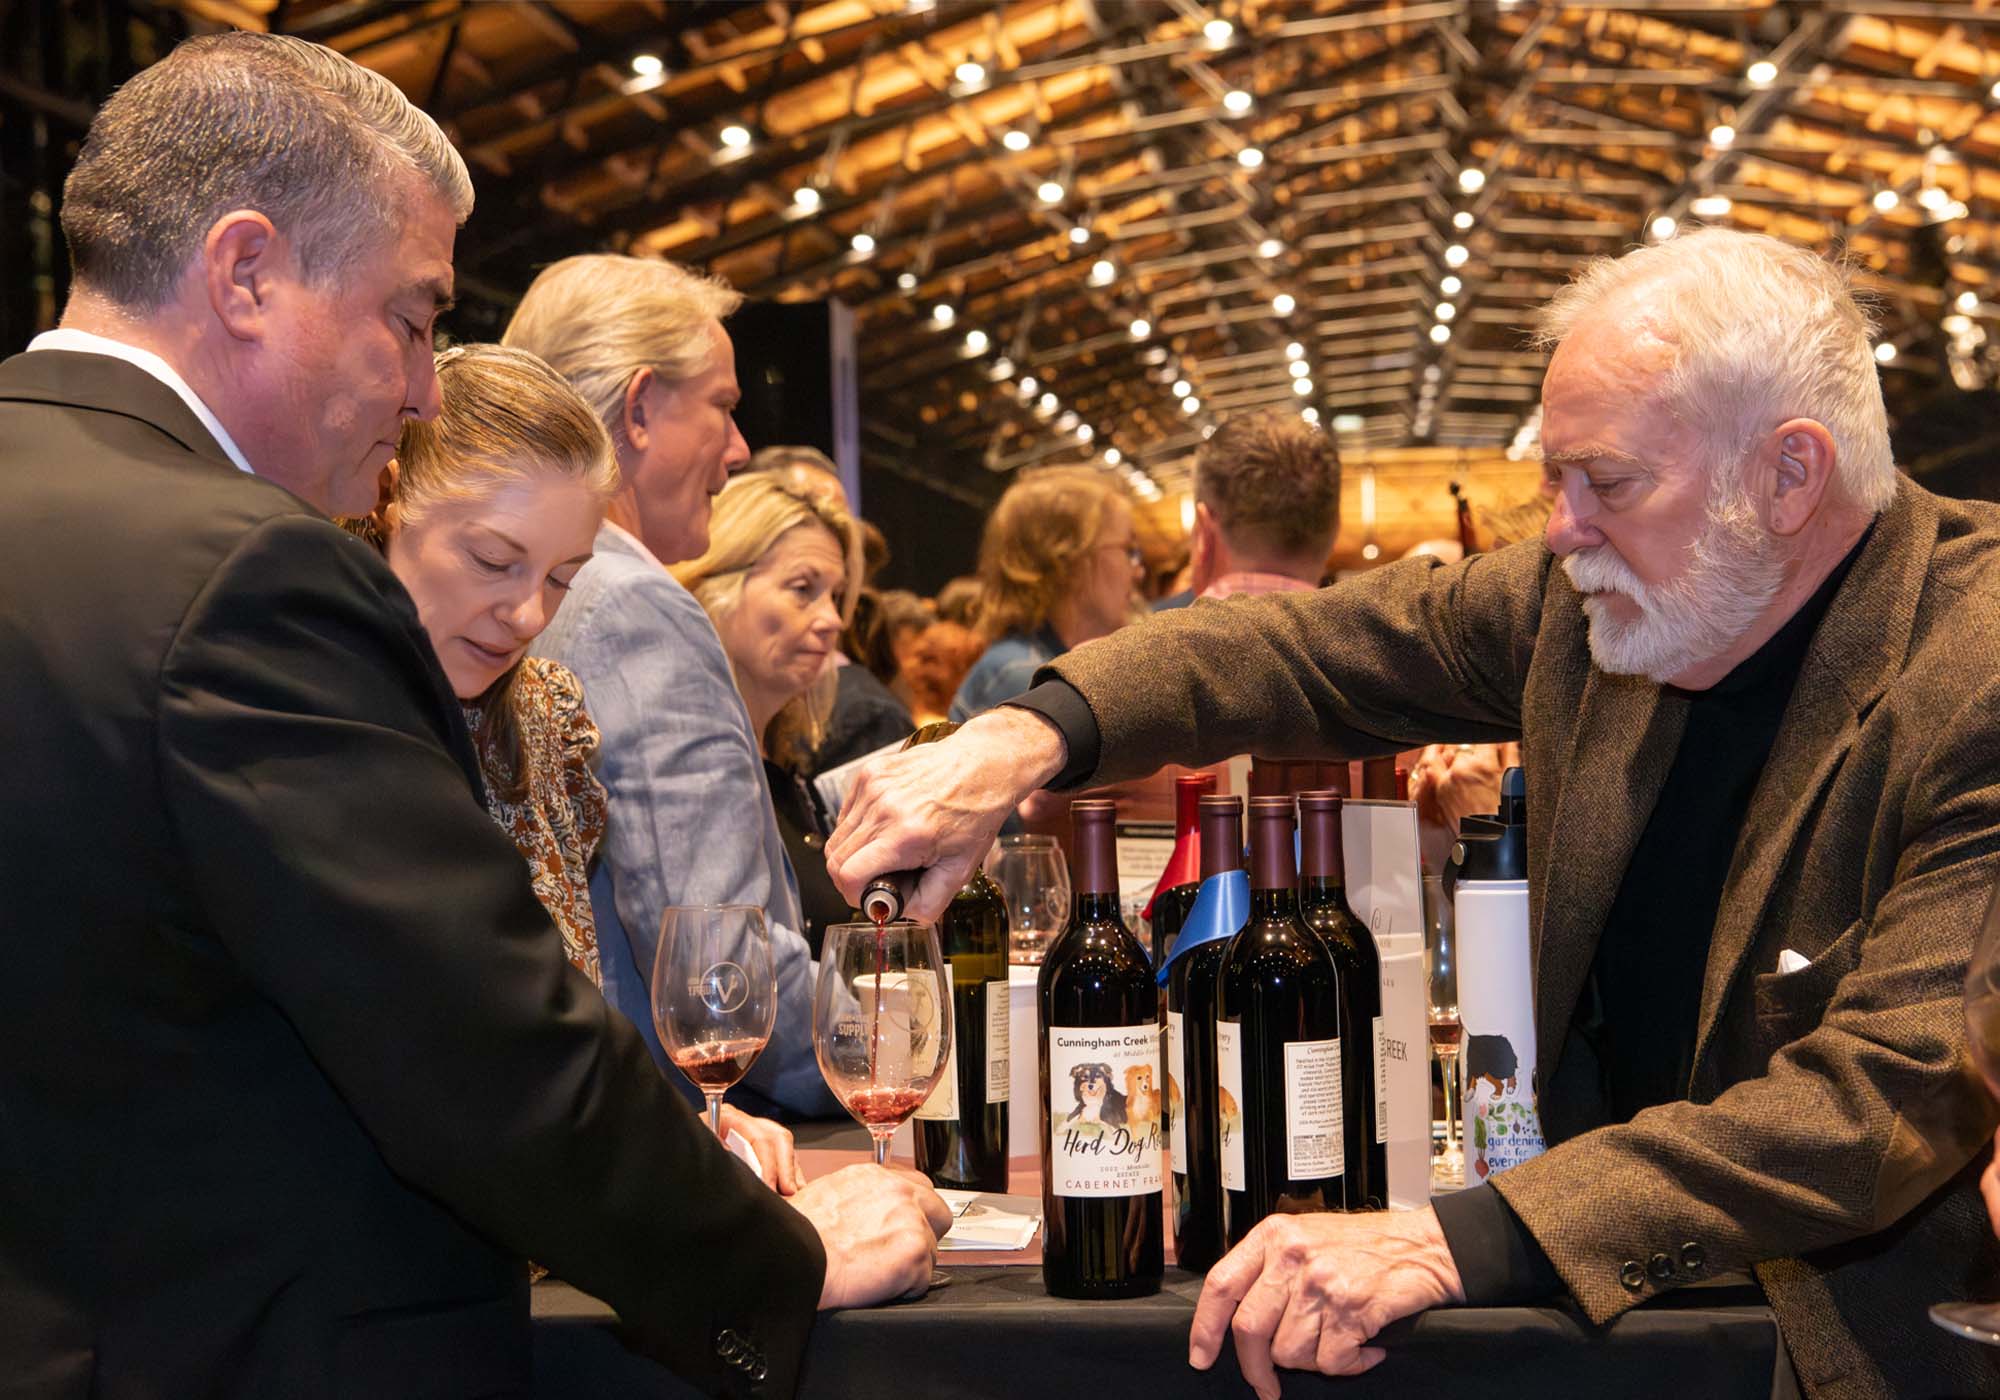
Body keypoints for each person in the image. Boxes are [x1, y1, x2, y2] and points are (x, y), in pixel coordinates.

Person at [827, 228, 2000, 1398]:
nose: (1560, 528)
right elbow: (1295, 646)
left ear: (1788, 474)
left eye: (1608, 481)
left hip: (1834, 1351)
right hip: (1592, 1330)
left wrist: (1463, 1235)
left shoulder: (1972, 666)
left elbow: (1875, 1095)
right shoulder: (1590, 603)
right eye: (1554, 479)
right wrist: (1022, 734)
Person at [1, 32, 948, 1399]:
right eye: (414, 315)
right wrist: (773, 1264)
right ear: (246, 271)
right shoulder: (250, 572)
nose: (428, 386)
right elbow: (478, 1046)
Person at [350, 343, 805, 1180]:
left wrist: (678, 1128)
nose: (527, 612)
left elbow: (554, 1033)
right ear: (386, 505)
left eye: (563, 578)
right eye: (494, 560)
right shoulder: (316, 711)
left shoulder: (544, 717)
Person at [505, 253, 843, 1117]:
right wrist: (909, 1034)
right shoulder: (633, 607)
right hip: (674, 1133)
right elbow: (715, 971)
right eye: (725, 408)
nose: (739, 451)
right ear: (641, 406)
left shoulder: (526, 590)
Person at [674, 473, 864, 955]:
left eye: (835, 596)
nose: (832, 620)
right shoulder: (691, 764)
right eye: (803, 589)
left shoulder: (786, 770)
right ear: (720, 587)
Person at [950, 464, 1141, 721]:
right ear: (1070, 562)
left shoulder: (1033, 663)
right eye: (1128, 550)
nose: (1138, 571)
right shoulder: (1027, 678)